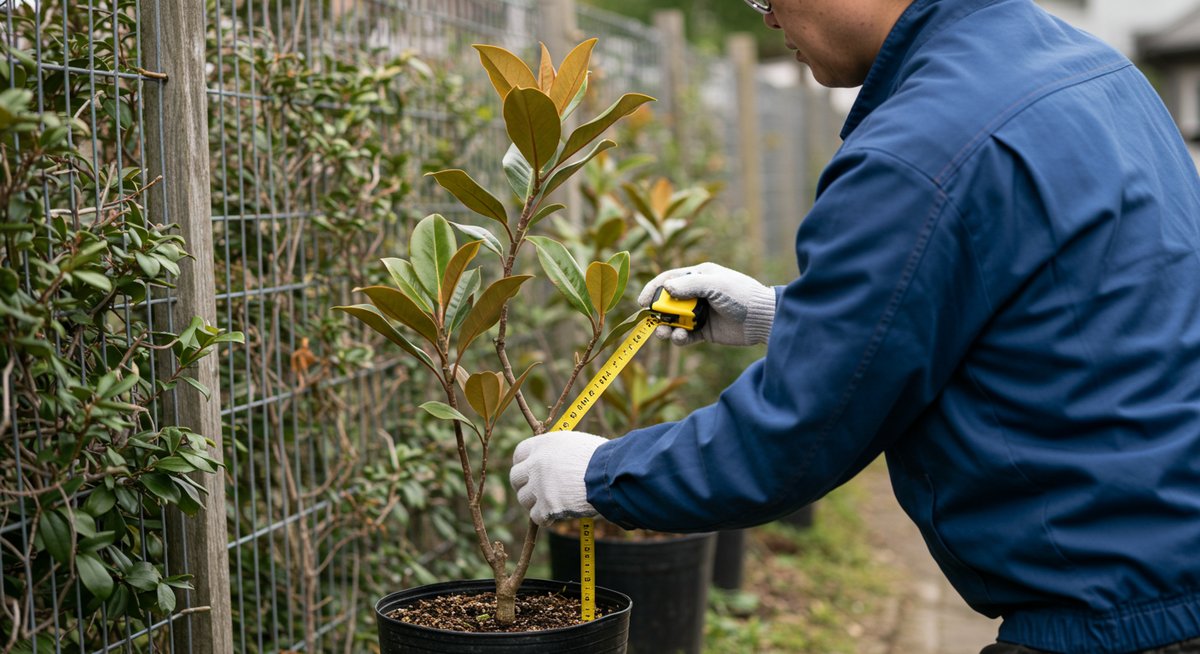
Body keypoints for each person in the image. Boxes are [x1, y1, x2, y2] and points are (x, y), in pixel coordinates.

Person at [509, 0, 1200, 651]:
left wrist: (602, 473)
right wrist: (785, 316)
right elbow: (1067, 300)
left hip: (1116, 614)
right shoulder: (1094, 68)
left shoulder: (919, 146)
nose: (771, 14)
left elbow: (796, 436)